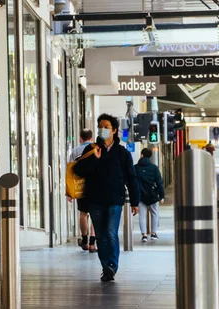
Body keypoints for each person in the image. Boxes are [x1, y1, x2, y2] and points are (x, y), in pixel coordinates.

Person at [74, 114, 140, 282]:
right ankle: (106, 267)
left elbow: (131, 177)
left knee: (111, 233)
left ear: (114, 130)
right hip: (95, 199)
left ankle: (112, 265)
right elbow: (79, 171)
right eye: (100, 126)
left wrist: (135, 201)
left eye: (106, 127)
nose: (102, 130)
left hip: (114, 199)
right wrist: (94, 160)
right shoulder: (91, 149)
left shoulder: (122, 153)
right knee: (102, 236)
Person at [67, 128, 97, 253]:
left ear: (80, 138)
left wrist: (70, 191)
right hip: (95, 187)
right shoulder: (96, 149)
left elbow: (70, 171)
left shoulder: (75, 151)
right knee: (95, 214)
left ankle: (84, 240)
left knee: (83, 213)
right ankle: (92, 244)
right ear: (91, 138)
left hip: (81, 187)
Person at [135, 148, 165, 243]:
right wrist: (162, 195)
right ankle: (153, 233)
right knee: (154, 214)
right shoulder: (154, 168)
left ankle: (144, 235)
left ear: (142, 155)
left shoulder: (135, 168)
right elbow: (159, 182)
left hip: (140, 195)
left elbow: (131, 182)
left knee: (142, 216)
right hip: (152, 195)